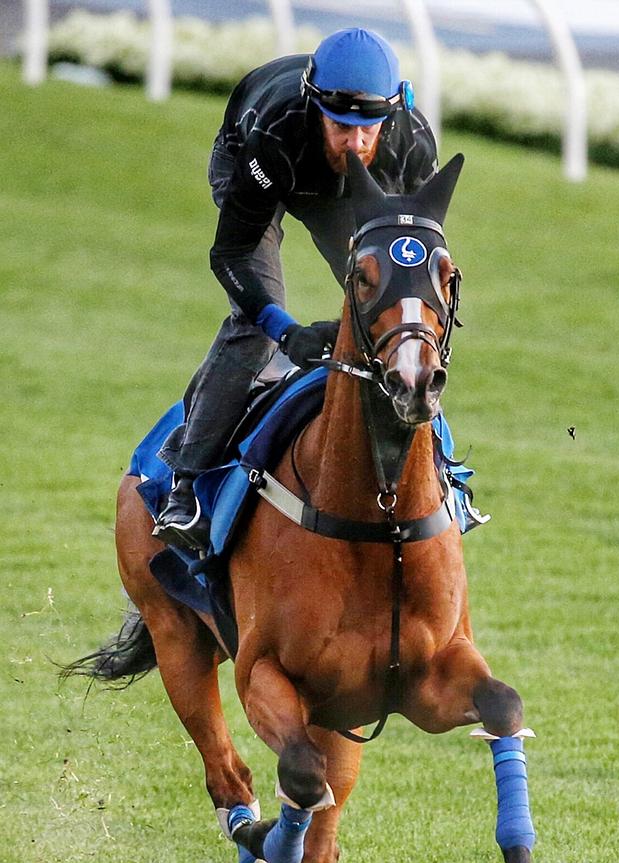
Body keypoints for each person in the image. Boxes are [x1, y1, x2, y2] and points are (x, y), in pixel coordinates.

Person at [153, 27, 439, 549]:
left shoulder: (413, 145)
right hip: (261, 168)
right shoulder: (277, 132)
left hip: (341, 196)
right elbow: (232, 255)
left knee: (398, 317)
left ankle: (442, 473)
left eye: (369, 129)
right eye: (340, 126)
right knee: (255, 328)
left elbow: (412, 268)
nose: (354, 144)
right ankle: (187, 484)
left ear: (391, 118)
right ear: (314, 107)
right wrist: (285, 333)